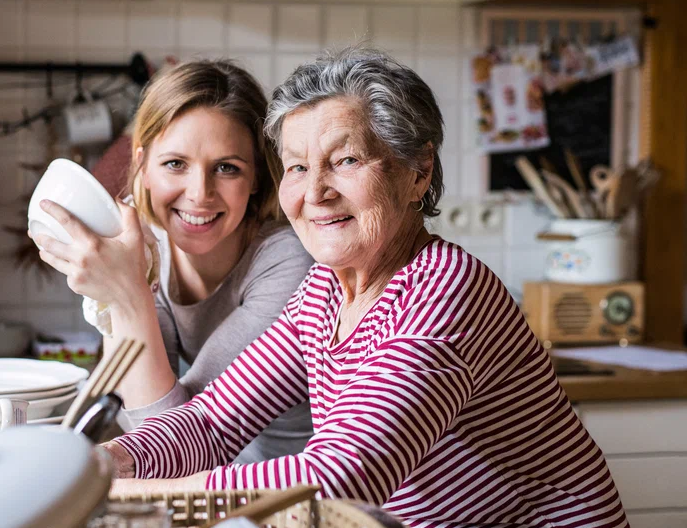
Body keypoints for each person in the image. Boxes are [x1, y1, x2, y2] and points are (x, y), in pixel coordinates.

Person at [101, 47, 629, 528]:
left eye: (346, 160)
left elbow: (337, 479)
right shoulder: (323, 293)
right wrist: (103, 463)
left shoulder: (446, 291)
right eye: (298, 167)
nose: (315, 193)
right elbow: (213, 423)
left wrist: (125, 499)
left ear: (417, 172)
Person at [32, 60, 315, 462]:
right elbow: (140, 424)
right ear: (143, 165)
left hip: (288, 497)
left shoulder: (287, 263)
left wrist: (125, 293)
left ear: (256, 179)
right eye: (175, 164)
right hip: (208, 490)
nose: (200, 193)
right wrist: (115, 295)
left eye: (226, 168)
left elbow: (176, 442)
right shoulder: (148, 245)